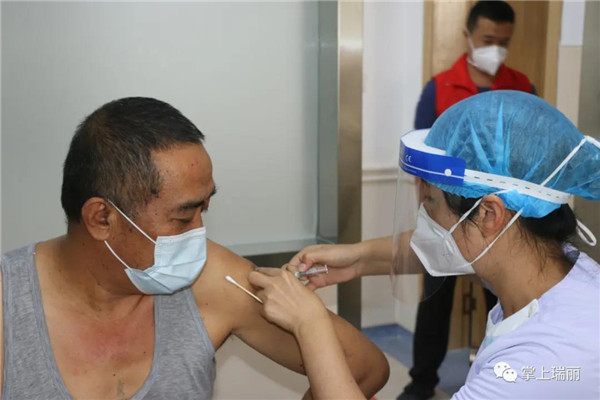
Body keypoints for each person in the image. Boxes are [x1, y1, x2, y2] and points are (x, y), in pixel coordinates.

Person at [0, 97, 389, 399]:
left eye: (204, 209)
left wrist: (310, 319)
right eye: (183, 217)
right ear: (102, 218)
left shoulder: (212, 281)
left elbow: (365, 367)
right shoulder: (10, 305)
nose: (198, 236)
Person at [249, 91, 600, 399]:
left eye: (430, 201)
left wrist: (309, 324)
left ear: (490, 214)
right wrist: (356, 260)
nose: (424, 216)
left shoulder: (543, 359)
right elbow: (450, 245)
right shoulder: (557, 270)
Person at [410, 2, 535, 397]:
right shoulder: (440, 87)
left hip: (505, 220)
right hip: (448, 218)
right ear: (467, 36)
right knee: (435, 301)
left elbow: (533, 152)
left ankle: (504, 378)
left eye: (503, 42)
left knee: (507, 304)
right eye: (487, 40)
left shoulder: (522, 88)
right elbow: (423, 157)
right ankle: (421, 383)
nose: (495, 49)